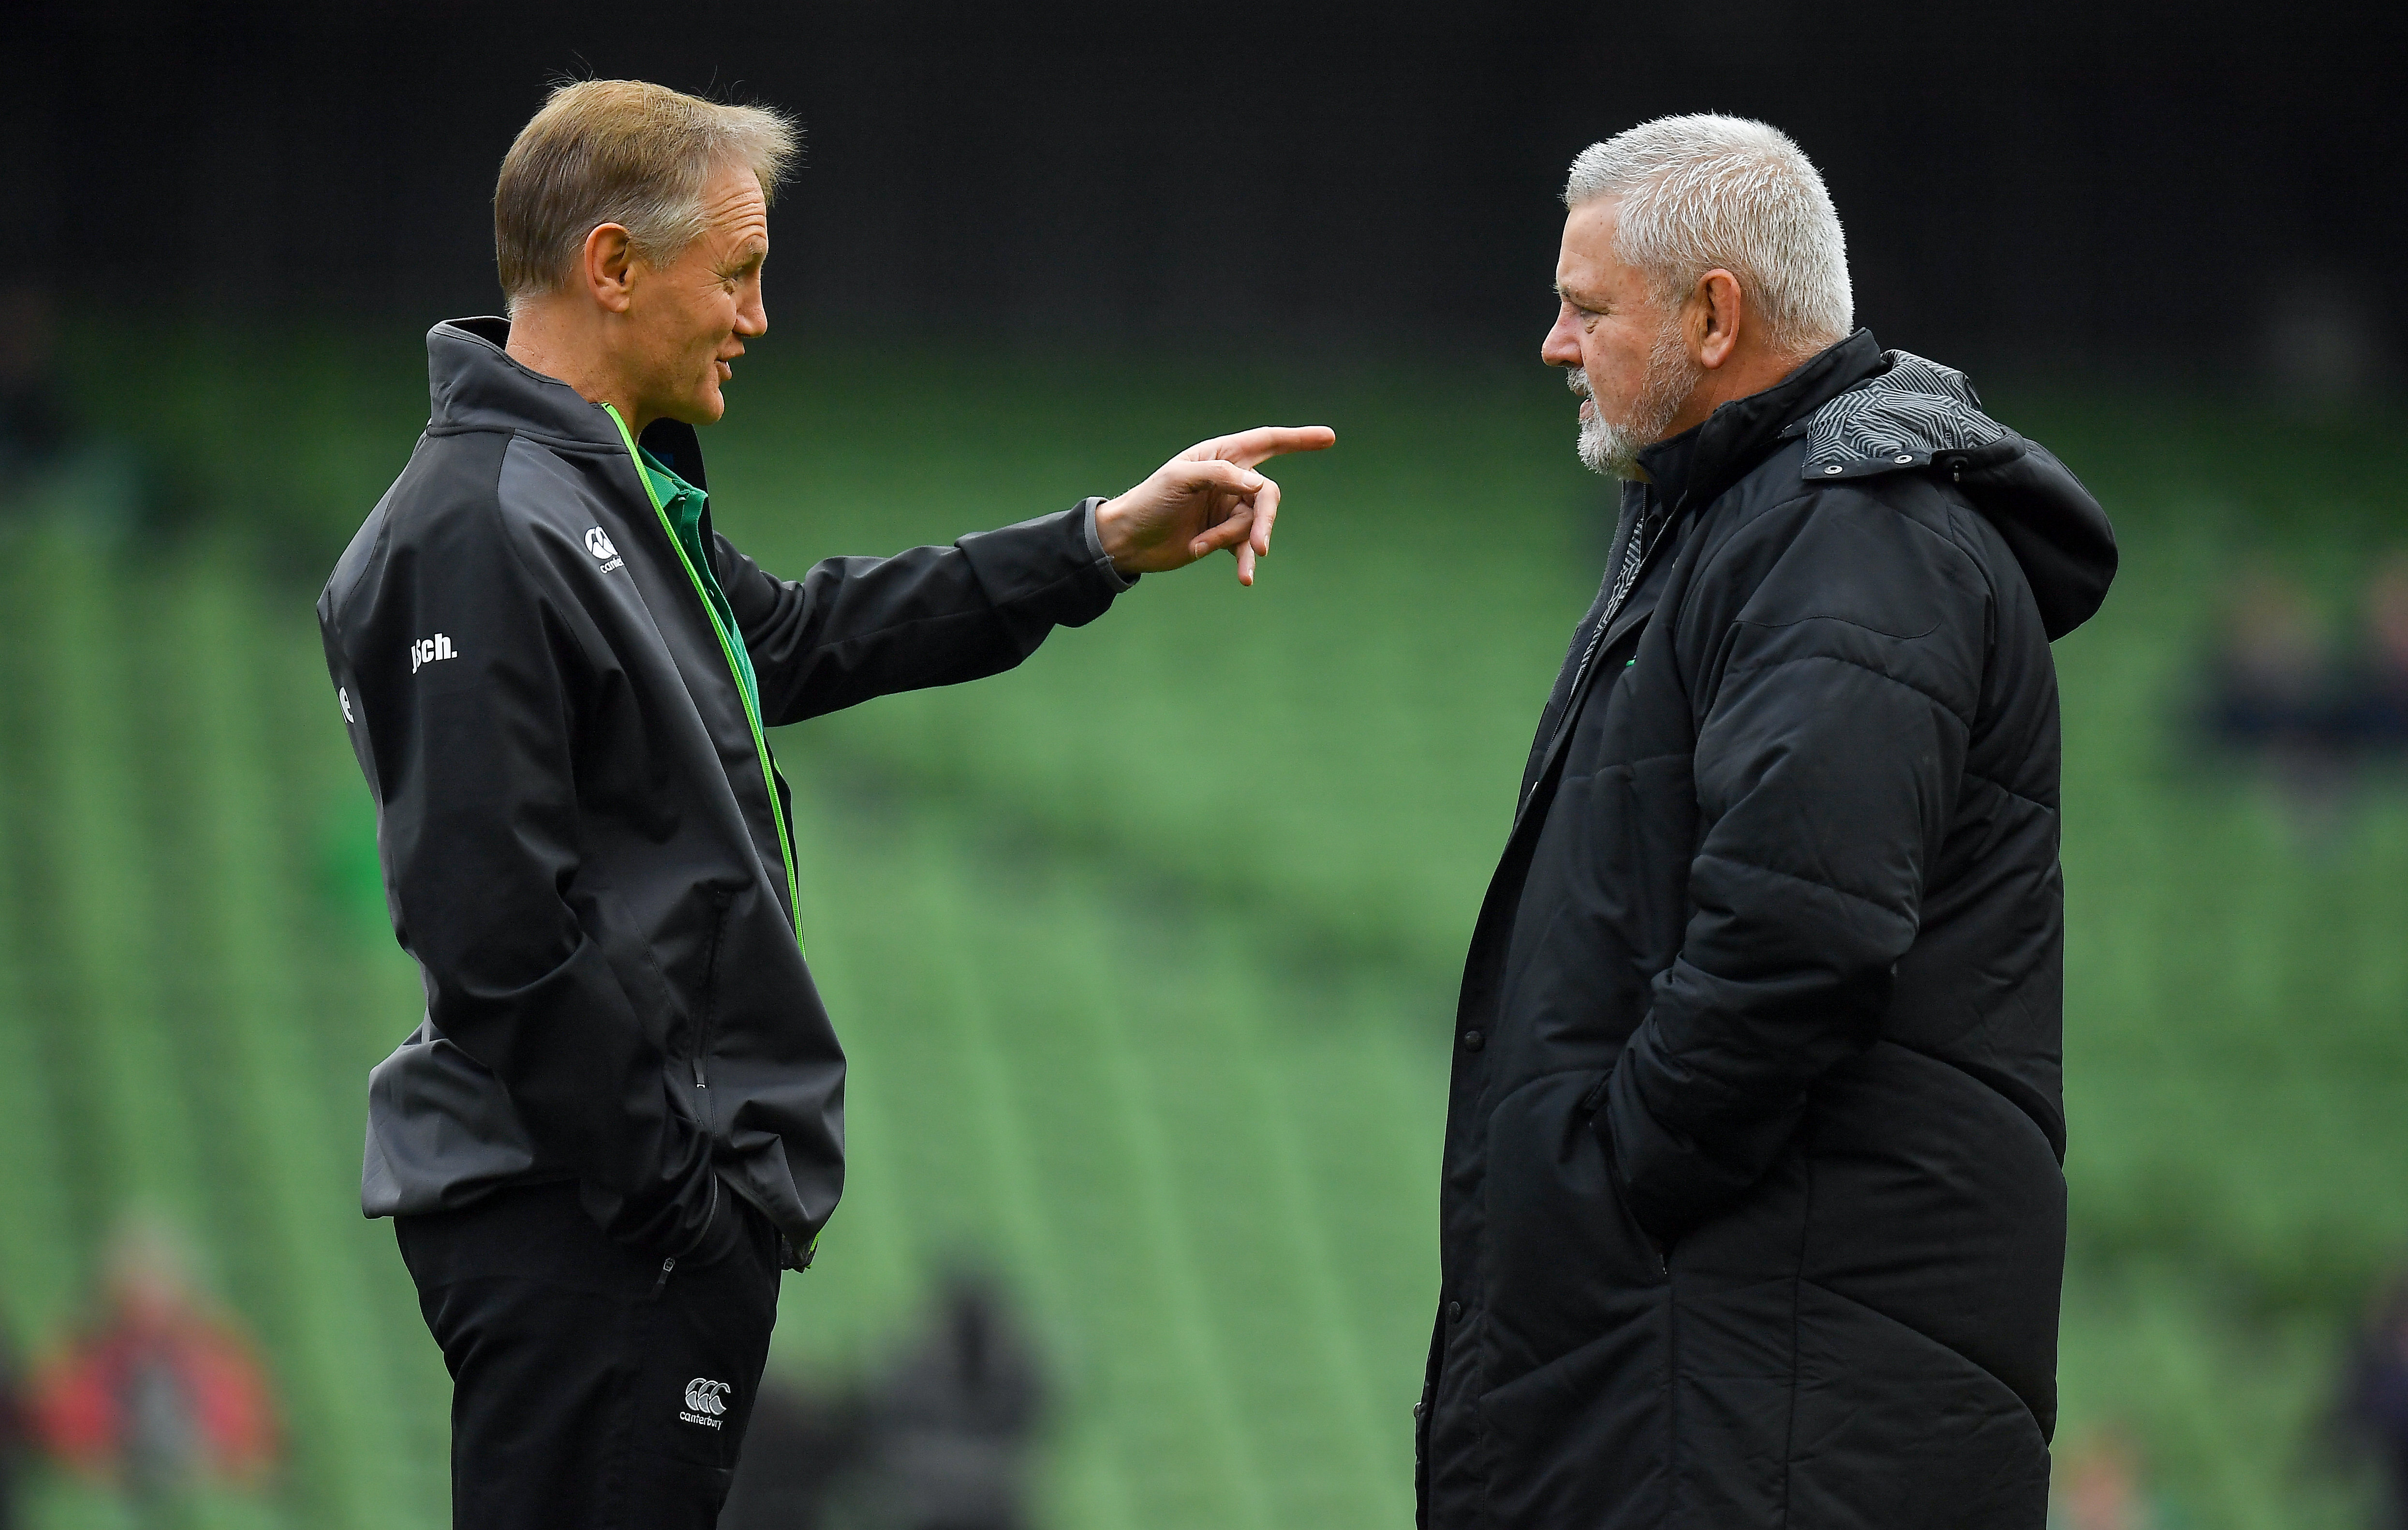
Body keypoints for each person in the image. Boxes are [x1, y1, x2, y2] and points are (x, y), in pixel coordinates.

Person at [318, 79, 1332, 1528]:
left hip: (624, 1217)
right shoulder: (480, 523)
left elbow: (790, 639)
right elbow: (493, 929)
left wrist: (1097, 543)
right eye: (735, 275)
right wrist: (680, 1195)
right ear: (612, 268)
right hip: (593, 1219)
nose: (757, 316)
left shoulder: (597, 495)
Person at [1416, 115, 2116, 1529]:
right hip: (1722, 1375)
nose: (1554, 342)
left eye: (1585, 307)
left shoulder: (1852, 530)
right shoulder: (1747, 519)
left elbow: (1802, 923)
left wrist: (1618, 1180)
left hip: (1762, 1402)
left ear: (1714, 314)